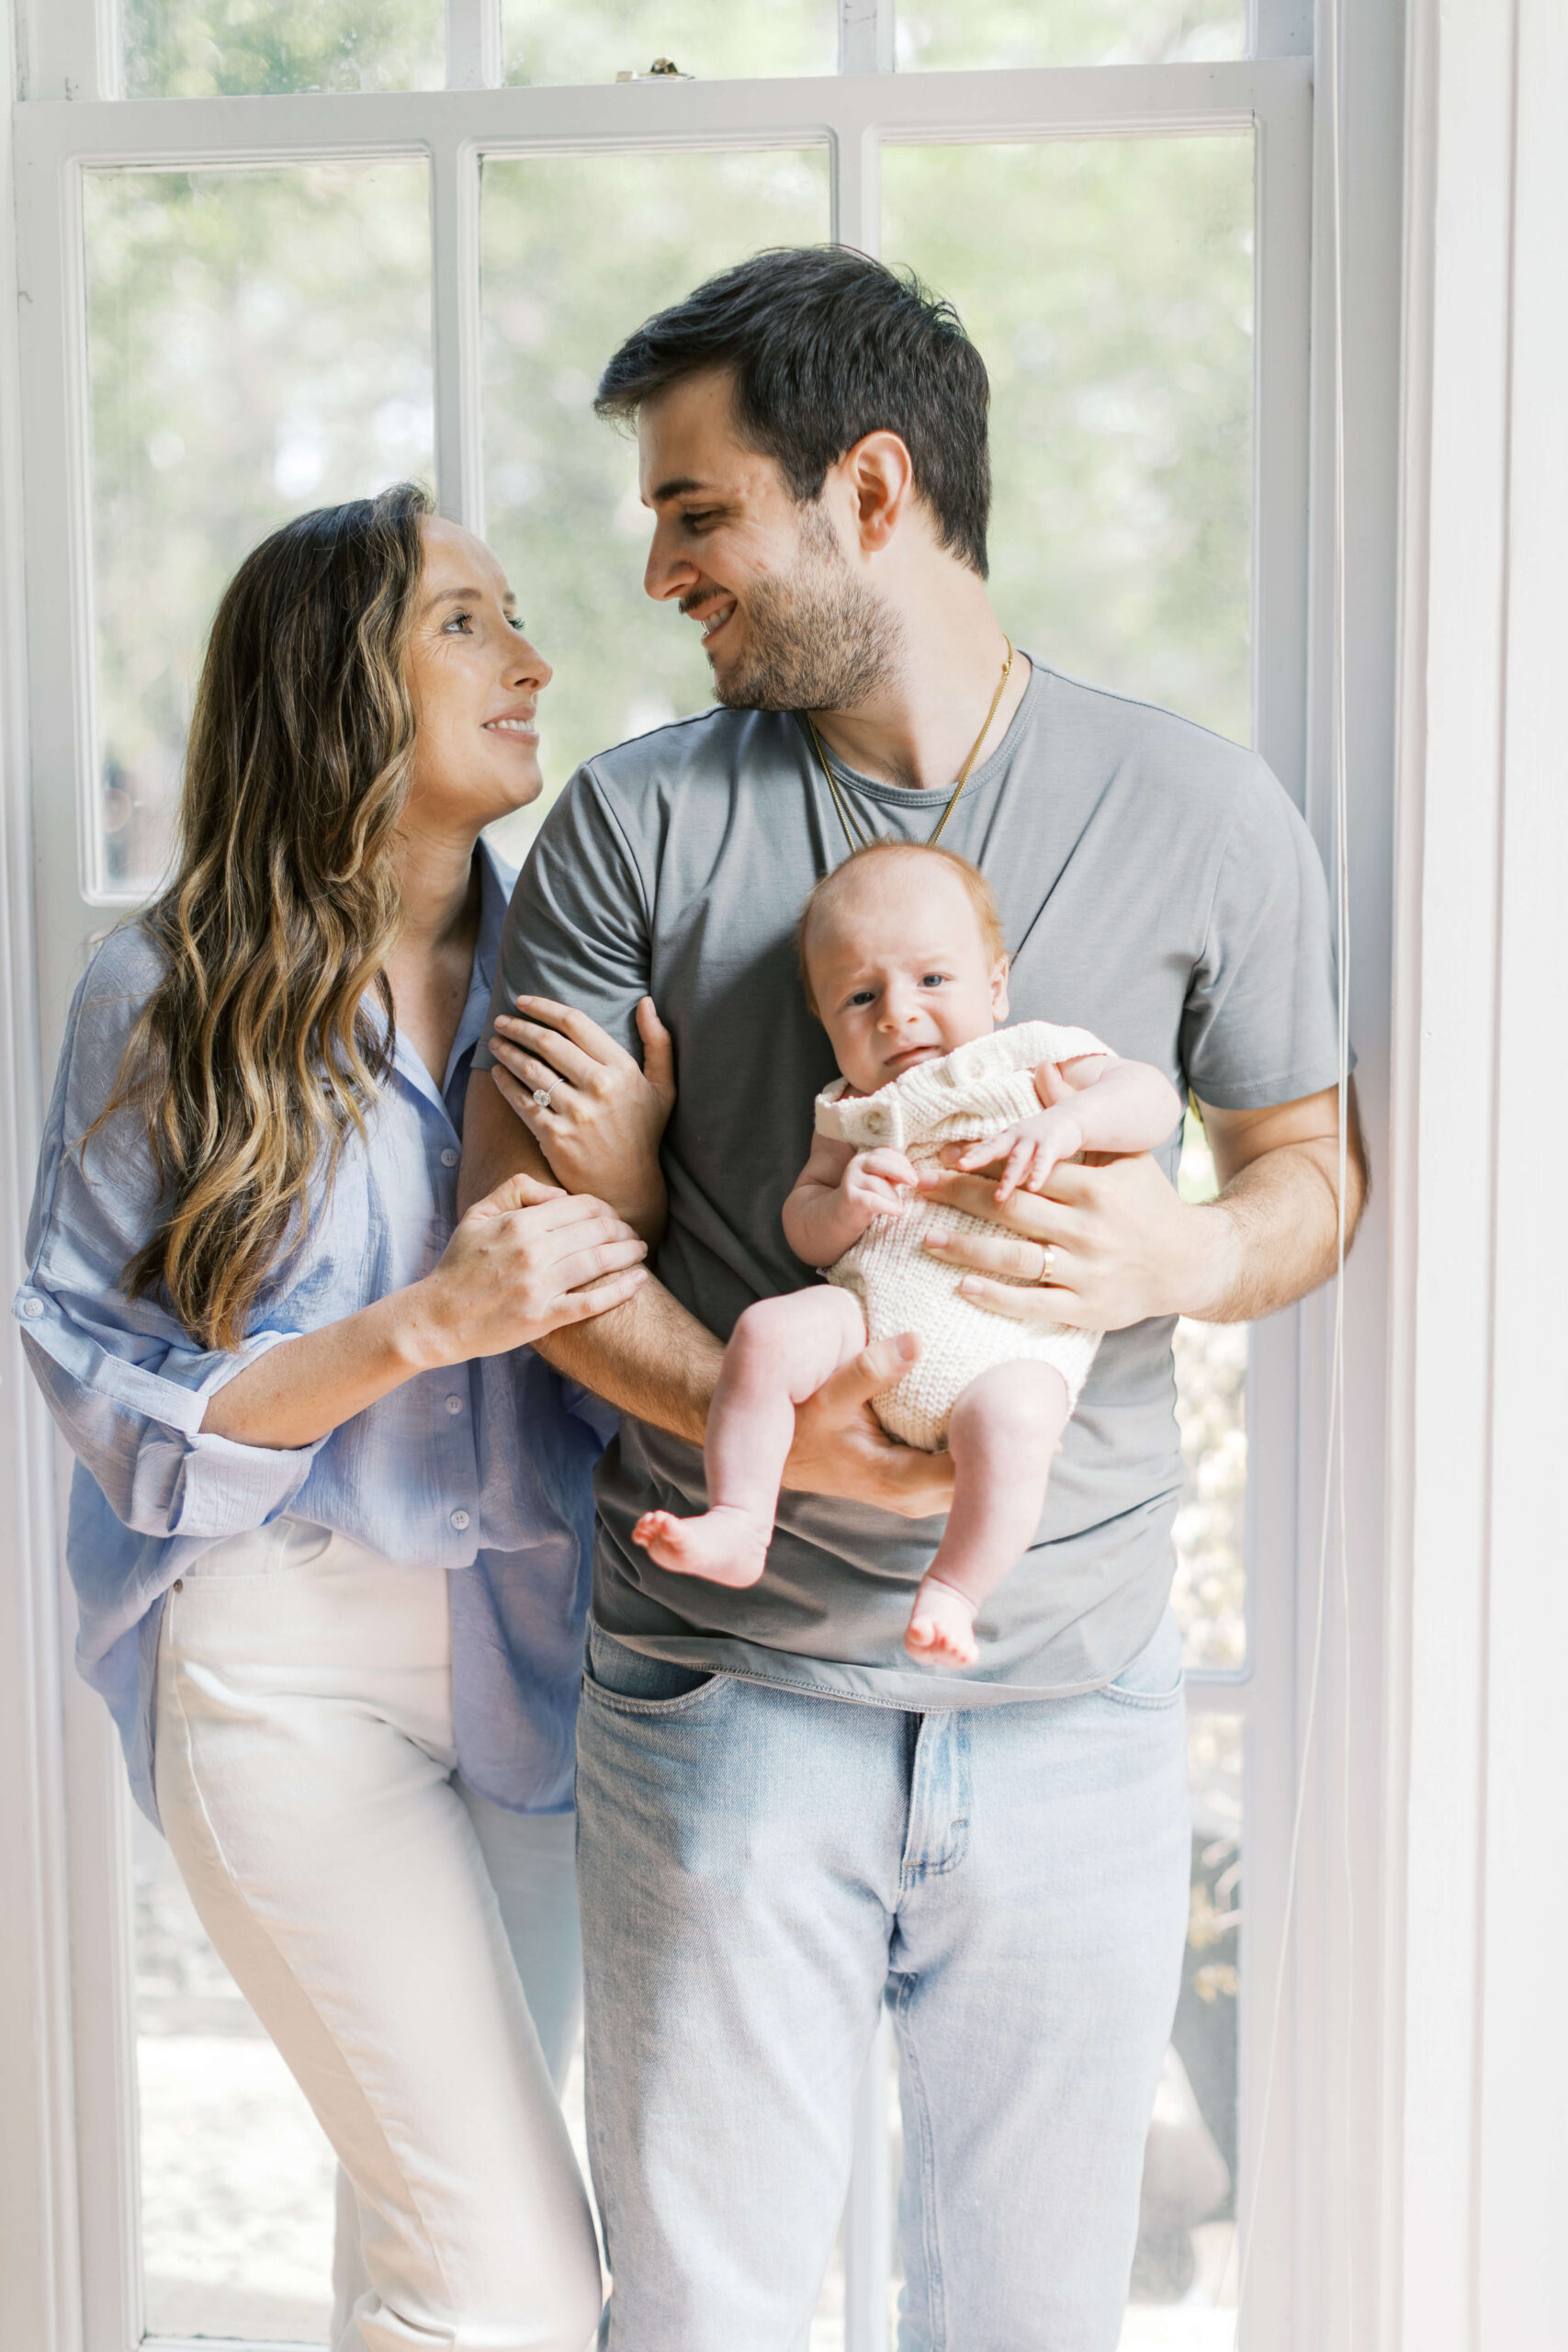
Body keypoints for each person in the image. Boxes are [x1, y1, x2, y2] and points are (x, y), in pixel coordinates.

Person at [460, 247, 1366, 2351]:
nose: (664, 568)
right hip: (723, 1700)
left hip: (1068, 1706)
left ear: (867, 489)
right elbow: (527, 1253)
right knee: (696, 2309)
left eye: (697, 510)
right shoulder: (630, 819)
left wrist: (1182, 1250)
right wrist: (772, 1433)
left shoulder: (1199, 811)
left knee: (1031, 2314)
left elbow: (1305, 1173)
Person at [16, 484, 673, 2352]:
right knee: (505, 2276)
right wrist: (419, 1324)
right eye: (466, 618)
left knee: (419, 2226)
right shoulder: (168, 998)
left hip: (537, 1664)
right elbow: (101, 1377)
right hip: (278, 1658)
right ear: (335, 680)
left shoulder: (589, 979)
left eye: (515, 613)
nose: (531, 657)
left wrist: (621, 1183)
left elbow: (668, 1304)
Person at [632, 840, 1182, 1670]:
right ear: (822, 1018)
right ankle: (742, 1520)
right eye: (859, 996)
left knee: (1018, 1427)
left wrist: (1068, 1123)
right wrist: (842, 1201)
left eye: (931, 980)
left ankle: (955, 1590)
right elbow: (802, 1226)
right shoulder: (849, 1111)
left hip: (1008, 1347)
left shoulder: (1033, 1059)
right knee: (766, 1334)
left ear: (994, 985)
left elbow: (1151, 1100)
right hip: (869, 1319)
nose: (897, 1013)